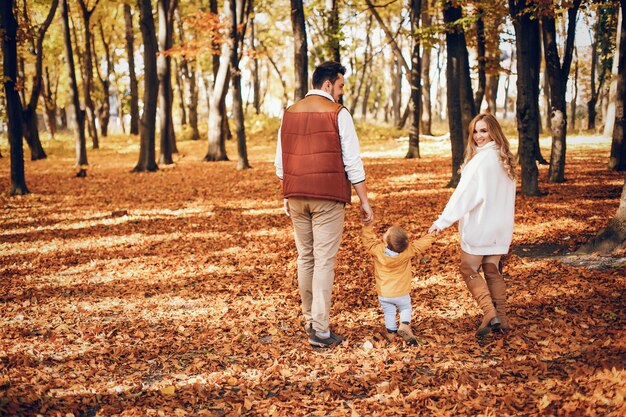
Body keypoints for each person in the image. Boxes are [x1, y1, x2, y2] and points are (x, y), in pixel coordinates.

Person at [275, 61, 374, 348]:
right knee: (324, 260)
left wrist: (286, 193)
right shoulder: (338, 114)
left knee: (305, 257)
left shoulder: (289, 113)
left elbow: (281, 163)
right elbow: (352, 161)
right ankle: (319, 330)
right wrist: (364, 200)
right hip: (327, 197)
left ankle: (309, 320)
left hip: (296, 196)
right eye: (340, 86)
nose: (342, 92)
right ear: (328, 84)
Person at [428, 113, 516, 337]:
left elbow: (463, 196)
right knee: (491, 269)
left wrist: (442, 221)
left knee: (468, 268)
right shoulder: (504, 158)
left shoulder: (480, 161)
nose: (478, 136)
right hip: (500, 226)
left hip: (481, 224)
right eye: (475, 131)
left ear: (493, 131)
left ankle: (490, 313)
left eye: (484, 131)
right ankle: (502, 320)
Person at [361, 223, 435, 344]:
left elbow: (368, 241)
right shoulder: (408, 251)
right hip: (401, 292)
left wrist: (367, 225)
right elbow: (421, 244)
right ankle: (404, 325)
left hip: (384, 293)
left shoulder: (377, 250)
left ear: (386, 242)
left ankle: (391, 332)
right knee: (405, 307)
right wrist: (431, 235)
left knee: (389, 312)